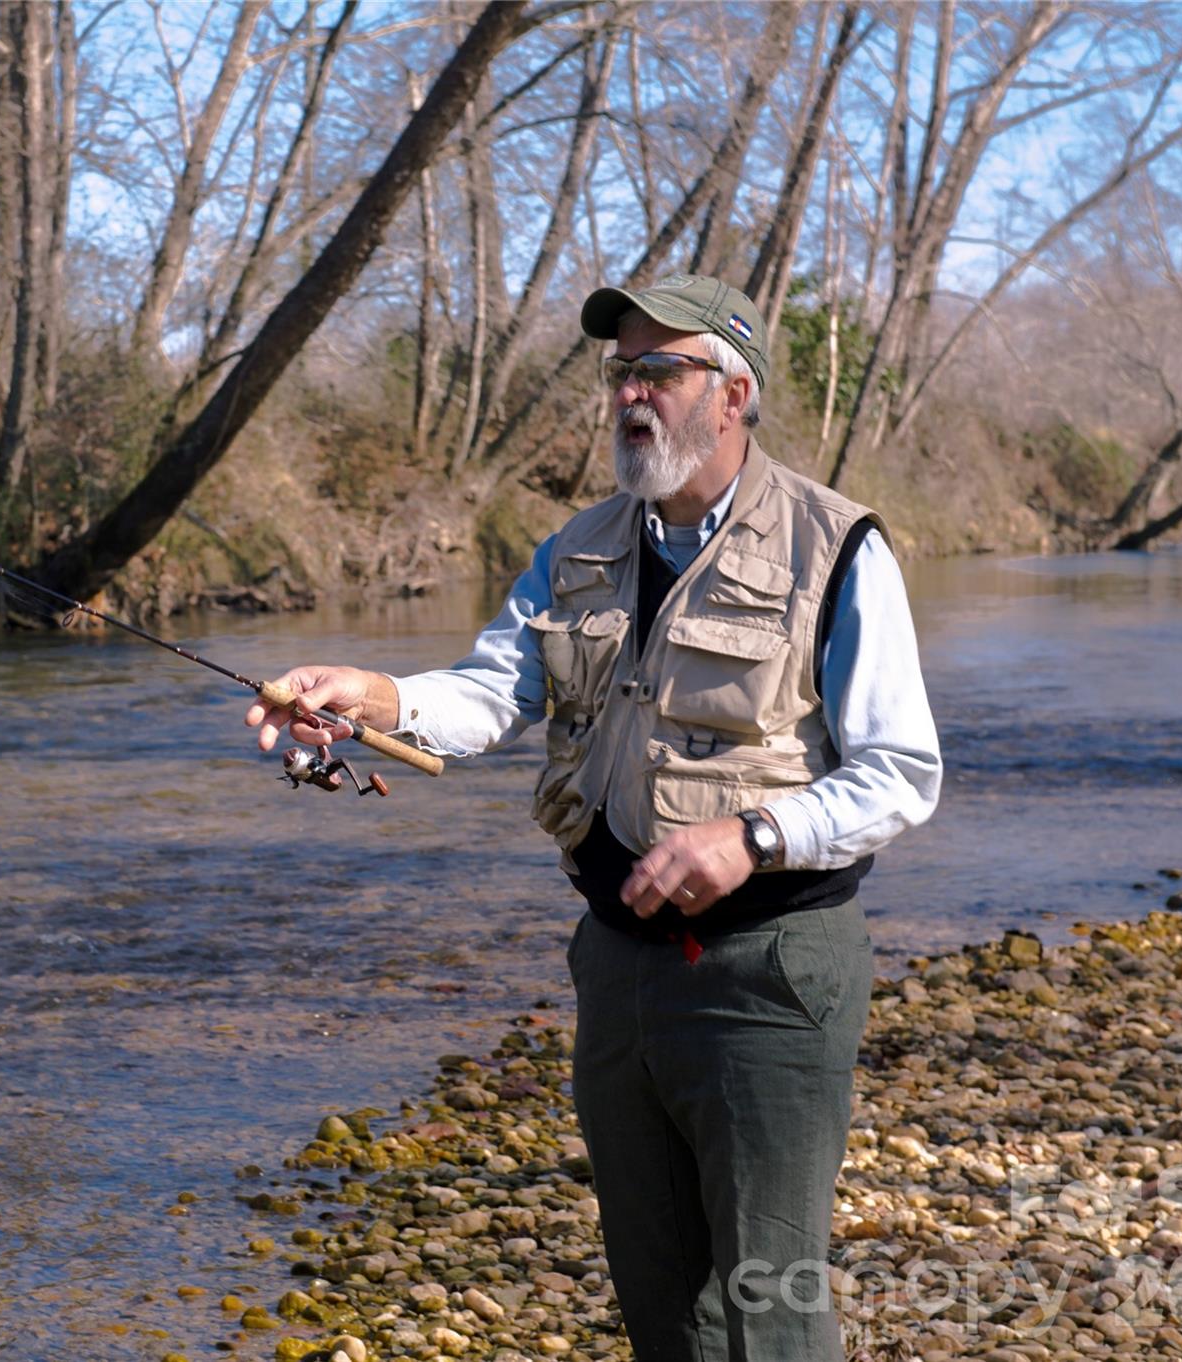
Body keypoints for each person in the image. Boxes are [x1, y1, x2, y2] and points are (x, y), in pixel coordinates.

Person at [245, 273, 942, 1361]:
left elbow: (901, 773)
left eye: (659, 370)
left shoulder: (837, 546)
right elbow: (490, 695)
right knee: (659, 1302)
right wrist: (368, 696)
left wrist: (751, 837)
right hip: (614, 969)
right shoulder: (573, 548)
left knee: (770, 1304)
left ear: (733, 393)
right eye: (620, 371)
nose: (629, 394)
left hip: (770, 970)